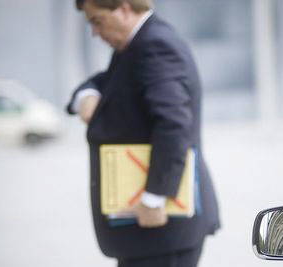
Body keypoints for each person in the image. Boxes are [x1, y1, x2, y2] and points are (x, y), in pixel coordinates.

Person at [65, 1, 220, 266]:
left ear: (124, 9)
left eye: (97, 20)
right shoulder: (137, 44)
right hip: (149, 233)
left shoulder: (154, 46)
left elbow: (173, 124)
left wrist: (154, 197)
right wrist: (87, 95)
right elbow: (107, 81)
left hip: (161, 227)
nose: (94, 32)